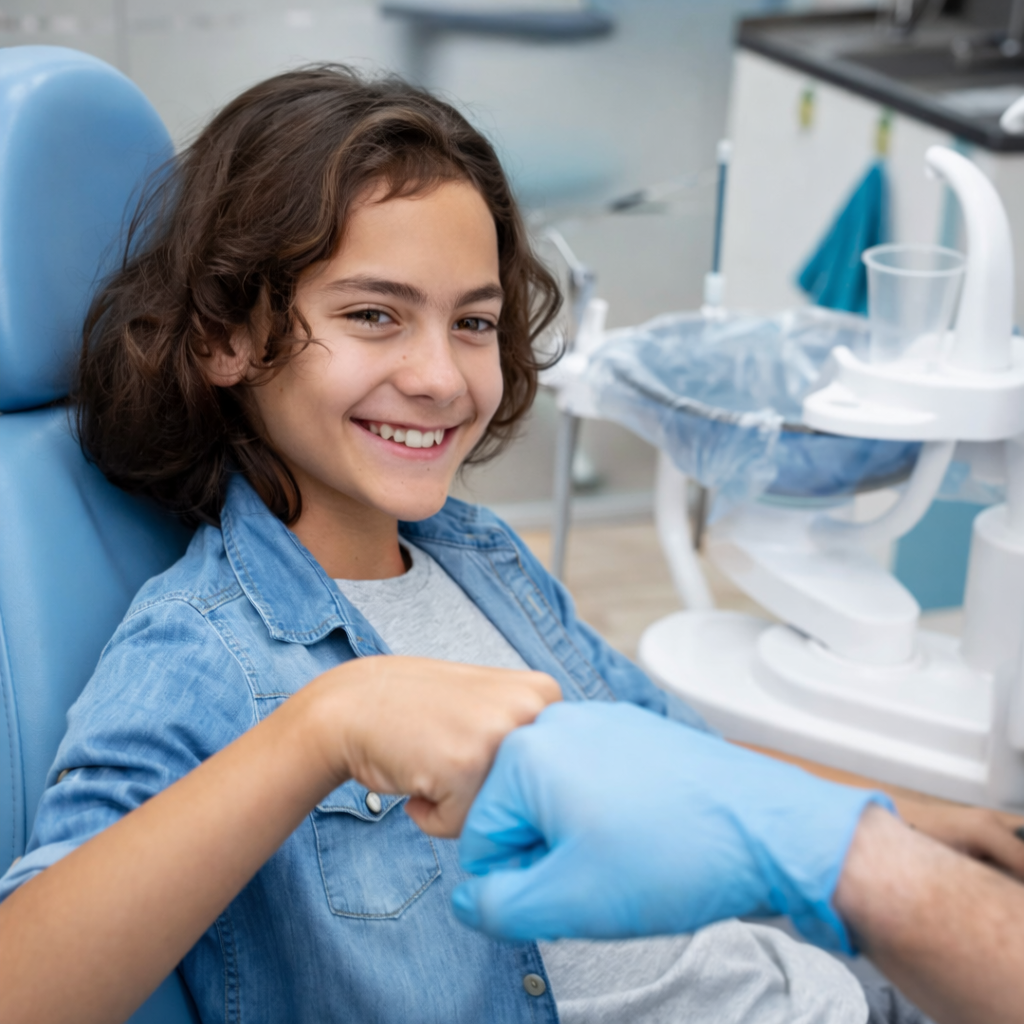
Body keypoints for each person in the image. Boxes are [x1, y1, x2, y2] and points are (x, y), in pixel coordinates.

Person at [0, 63, 1015, 1024]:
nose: (442, 378)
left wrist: (911, 822)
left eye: (474, 323)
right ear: (226, 338)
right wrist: (322, 729)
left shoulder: (474, 553)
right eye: (374, 315)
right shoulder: (200, 650)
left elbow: (669, 743)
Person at [453, 701, 1024, 1024]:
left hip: (819, 990)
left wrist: (876, 825)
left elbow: (688, 746)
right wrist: (855, 852)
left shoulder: (479, 559)